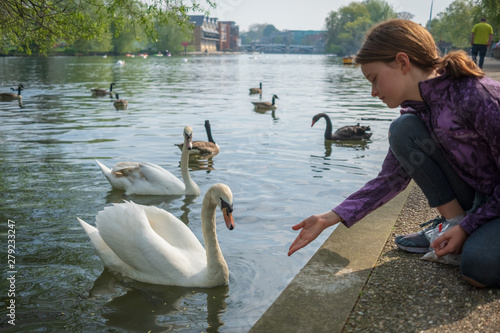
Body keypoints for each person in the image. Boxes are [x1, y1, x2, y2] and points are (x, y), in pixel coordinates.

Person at [288, 19, 500, 288]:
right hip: (481, 194)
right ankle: (452, 224)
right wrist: (328, 218)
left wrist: (470, 228)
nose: (373, 92)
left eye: (374, 79)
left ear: (402, 62)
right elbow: (390, 179)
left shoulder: (474, 96)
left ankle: (466, 230)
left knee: (478, 267)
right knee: (402, 129)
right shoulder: (416, 111)